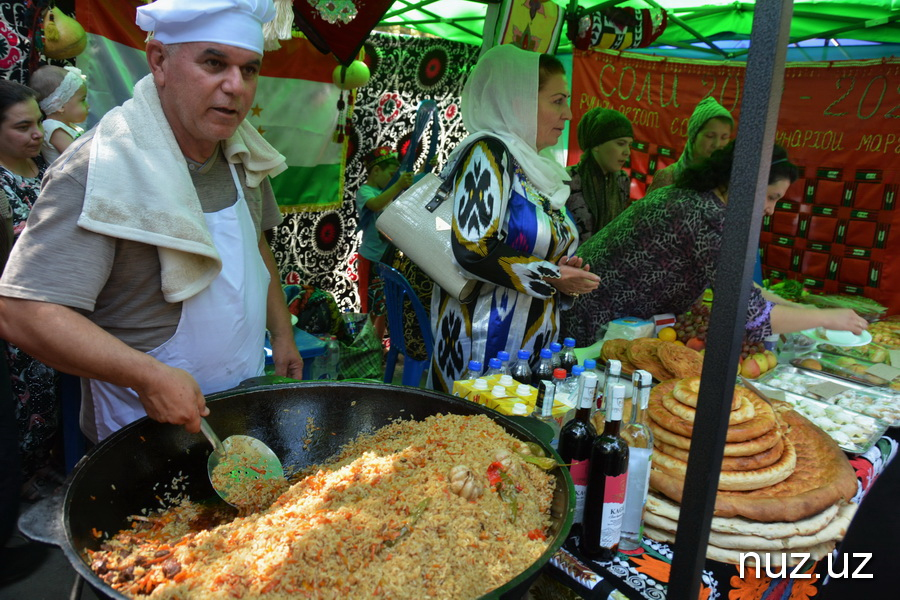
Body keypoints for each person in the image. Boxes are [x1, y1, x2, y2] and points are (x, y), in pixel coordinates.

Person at [0, 0, 303, 445]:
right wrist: (147, 376)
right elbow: (22, 311)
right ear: (159, 61)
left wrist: (282, 334)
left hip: (240, 404)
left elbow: (255, 247)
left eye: (250, 69)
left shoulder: (242, 155)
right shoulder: (98, 169)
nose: (235, 86)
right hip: (139, 433)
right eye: (214, 63)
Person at [561, 142, 868, 345]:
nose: (771, 210)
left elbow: (741, 288)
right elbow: (750, 315)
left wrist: (800, 308)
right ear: (747, 181)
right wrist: (826, 317)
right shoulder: (709, 215)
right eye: (771, 197)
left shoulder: (697, 198)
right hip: (593, 323)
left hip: (596, 314)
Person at [429, 45, 600, 392]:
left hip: (528, 342)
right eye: (557, 101)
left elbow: (525, 243)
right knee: (472, 436)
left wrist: (561, 266)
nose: (568, 114)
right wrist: (553, 275)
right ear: (519, 101)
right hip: (482, 339)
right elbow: (473, 248)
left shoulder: (540, 170)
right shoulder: (488, 153)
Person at [0, 80, 62, 500]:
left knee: (54, 397)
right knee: (25, 407)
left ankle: (44, 469)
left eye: (38, 122)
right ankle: (21, 484)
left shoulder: (46, 167)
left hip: (59, 307)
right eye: (22, 126)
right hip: (19, 313)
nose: (37, 133)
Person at [355, 145, 413, 340]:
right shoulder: (366, 191)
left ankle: (378, 347)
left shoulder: (388, 191)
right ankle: (369, 348)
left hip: (388, 260)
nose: (392, 180)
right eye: (391, 175)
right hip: (371, 260)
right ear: (376, 171)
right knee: (371, 307)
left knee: (386, 307)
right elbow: (375, 204)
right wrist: (398, 186)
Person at [566, 107, 633, 242]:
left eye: (629, 145)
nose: (627, 152)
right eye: (620, 144)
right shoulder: (568, 179)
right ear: (596, 145)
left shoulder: (622, 180)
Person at [646, 96, 733, 193]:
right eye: (710, 136)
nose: (717, 144)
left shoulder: (728, 181)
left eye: (724, 138)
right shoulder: (669, 178)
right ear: (693, 136)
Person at [29, 65, 89, 164]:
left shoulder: (68, 126)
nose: (87, 106)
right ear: (60, 106)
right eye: (82, 100)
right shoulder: (53, 127)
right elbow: (79, 157)